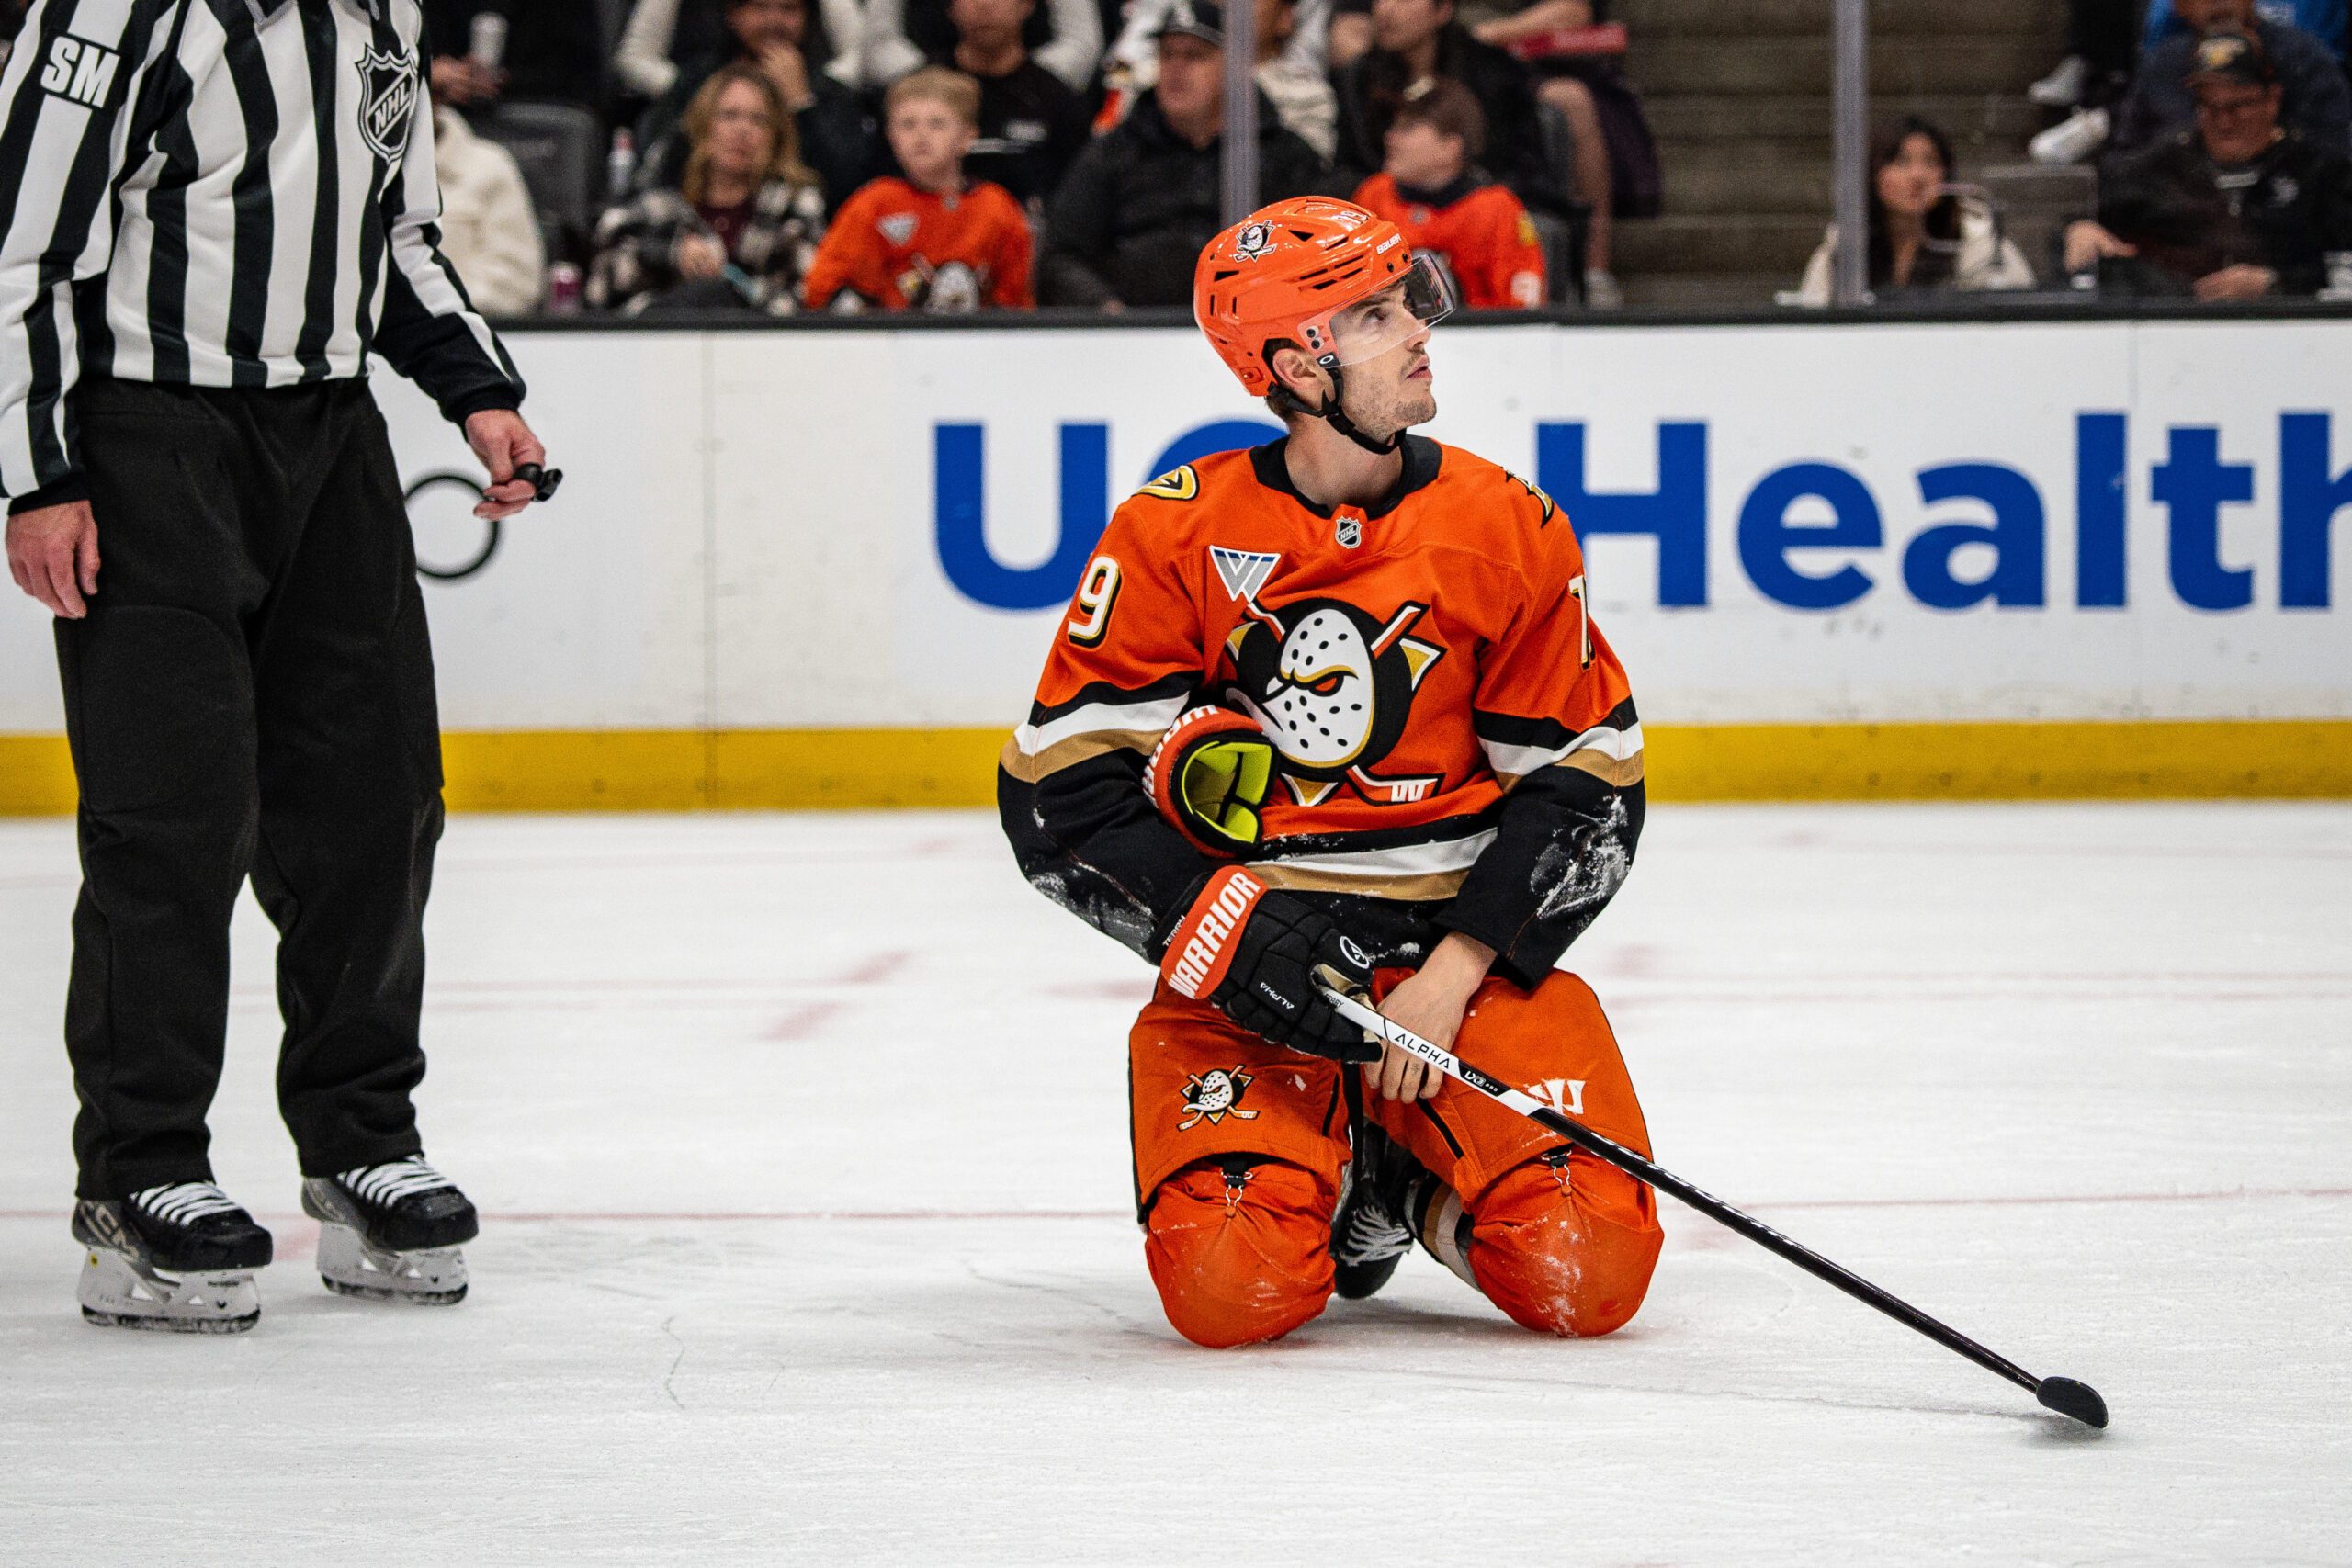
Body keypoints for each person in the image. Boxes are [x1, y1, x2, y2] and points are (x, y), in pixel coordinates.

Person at [1000, 196, 1659, 1349]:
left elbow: (1585, 784)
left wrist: (1454, 975)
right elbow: (1059, 794)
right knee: (1233, 1293)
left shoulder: (1505, 522)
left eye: (1408, 302)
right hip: (1263, 970)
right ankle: (1346, 1165)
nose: (1416, 333)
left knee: (1584, 1270)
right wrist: (1240, 944)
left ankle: (1399, 1193)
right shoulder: (1173, 533)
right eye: (1372, 314)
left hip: (1457, 967)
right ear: (1297, 367)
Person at [0, 0, 554, 1331]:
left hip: (328, 432)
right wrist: (38, 474)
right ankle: (142, 1169)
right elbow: (16, 252)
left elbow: (401, 228)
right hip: (145, 434)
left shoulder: (381, 13)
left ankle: (362, 1137)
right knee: (174, 815)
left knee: (376, 804)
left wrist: (478, 391)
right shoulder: (109, 13)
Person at [1040, 0, 1330, 307]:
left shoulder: (1285, 155)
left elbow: (1320, 250)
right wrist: (1106, 308)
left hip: (1253, 330)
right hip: (1132, 331)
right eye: (1167, 55)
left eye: (1194, 56)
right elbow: (1061, 255)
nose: (1176, 69)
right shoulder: (1113, 154)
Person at [2065, 29, 2352, 299]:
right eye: (2209, 107)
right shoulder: (2155, 167)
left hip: (2297, 331)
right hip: (2172, 329)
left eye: (2237, 107)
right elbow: (2082, 225)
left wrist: (2277, 283)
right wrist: (2079, 229)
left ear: (2273, 100)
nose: (2224, 121)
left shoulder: (2322, 172)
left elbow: (2342, 265)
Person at [594, 64, 830, 313]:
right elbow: (603, 279)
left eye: (758, 120)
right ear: (704, 125)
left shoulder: (795, 206)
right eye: (729, 116)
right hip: (660, 338)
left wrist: (734, 290)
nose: (743, 130)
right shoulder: (661, 200)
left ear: (775, 136)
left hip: (758, 341)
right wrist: (671, 253)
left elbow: (810, 294)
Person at [803, 68, 1035, 308]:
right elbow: (822, 287)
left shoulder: (997, 207)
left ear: (968, 136)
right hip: (890, 340)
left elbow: (1016, 301)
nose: (921, 135)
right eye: (907, 124)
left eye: (937, 124)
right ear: (890, 136)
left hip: (976, 342)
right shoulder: (875, 203)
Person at [1331, 0, 1566, 225]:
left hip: (1478, 214)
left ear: (1443, 9)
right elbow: (1347, 168)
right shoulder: (1356, 79)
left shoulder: (1494, 74)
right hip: (1385, 217)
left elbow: (1524, 172)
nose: (1385, 8)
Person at [639, 0, 881, 213]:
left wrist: (802, 105)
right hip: (694, 221)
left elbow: (846, 192)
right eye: (760, 7)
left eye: (789, 9)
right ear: (733, 14)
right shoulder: (696, 83)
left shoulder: (830, 93)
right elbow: (659, 168)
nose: (774, 21)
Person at [1793, 116, 2034, 306]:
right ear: (1874, 174)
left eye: (1931, 162)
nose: (1918, 176)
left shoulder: (1981, 246)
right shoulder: (1842, 250)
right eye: (1901, 162)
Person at [1353, 80, 1545, 306]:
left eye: (1408, 128)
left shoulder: (1498, 210)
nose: (1390, 137)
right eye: (1394, 127)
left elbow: (1519, 314)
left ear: (1450, 147)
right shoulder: (1373, 194)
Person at [2109, 0, 2351, 159]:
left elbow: (2335, 154)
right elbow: (2123, 158)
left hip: (2283, 213)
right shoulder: (2161, 65)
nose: (2218, 2)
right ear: (2177, 6)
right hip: (2179, 215)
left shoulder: (2303, 59)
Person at [1102, 0, 1339, 159]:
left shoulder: (1306, 96)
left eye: (1194, 56)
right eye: (1169, 54)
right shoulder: (1149, 81)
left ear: (1285, 18)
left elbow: (1308, 193)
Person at [933, 0, 1091, 206]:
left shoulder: (1059, 100)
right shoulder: (916, 97)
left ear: (1027, 5)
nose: (985, 5)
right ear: (951, 7)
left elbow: (1080, 198)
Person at [433, 96, 548, 317]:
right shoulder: (350, 172)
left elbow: (516, 284)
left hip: (456, 337)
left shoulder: (488, 167)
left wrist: (426, 306)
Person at [865, 0, 1102, 90]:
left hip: (1031, 80)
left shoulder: (1053, 94)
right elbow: (879, 45)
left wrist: (1035, 79)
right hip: (931, 76)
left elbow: (1079, 43)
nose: (984, 5)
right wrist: (925, 83)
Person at [424, 0, 608, 113]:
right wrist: (426, 73)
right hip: (444, 115)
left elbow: (581, 73)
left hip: (539, 122)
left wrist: (504, 80)